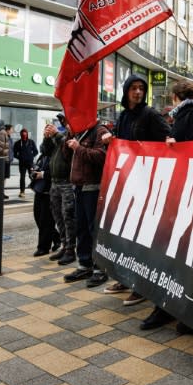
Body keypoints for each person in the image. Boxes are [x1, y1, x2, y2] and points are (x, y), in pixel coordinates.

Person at [102, 73, 170, 305]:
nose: (138, 92)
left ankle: (141, 286)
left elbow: (167, 140)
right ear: (126, 91)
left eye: (142, 88)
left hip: (146, 185)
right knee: (126, 234)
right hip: (128, 184)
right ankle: (124, 277)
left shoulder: (150, 114)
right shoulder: (123, 116)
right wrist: (112, 141)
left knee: (143, 237)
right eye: (134, 88)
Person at [62, 119, 109, 288]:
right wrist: (69, 135)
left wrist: (78, 148)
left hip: (93, 188)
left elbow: (102, 156)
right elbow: (65, 156)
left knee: (93, 229)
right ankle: (84, 264)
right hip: (79, 187)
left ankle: (100, 268)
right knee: (81, 227)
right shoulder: (78, 131)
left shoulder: (99, 130)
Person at [44, 113, 77, 265]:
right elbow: (46, 150)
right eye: (62, 120)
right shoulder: (59, 136)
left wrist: (56, 134)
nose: (63, 122)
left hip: (67, 183)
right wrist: (46, 137)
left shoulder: (71, 135)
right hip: (55, 182)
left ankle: (71, 249)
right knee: (57, 215)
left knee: (68, 216)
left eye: (65, 119)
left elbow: (68, 147)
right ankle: (64, 245)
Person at [28, 143, 60, 256]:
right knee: (38, 217)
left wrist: (43, 174)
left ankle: (43, 247)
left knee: (46, 220)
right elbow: (37, 166)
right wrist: (33, 172)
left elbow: (59, 171)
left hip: (50, 191)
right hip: (39, 189)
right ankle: (56, 237)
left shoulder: (57, 154)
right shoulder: (43, 156)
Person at [14, 128, 38, 198]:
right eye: (23, 134)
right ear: (21, 135)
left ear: (27, 134)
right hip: (22, 163)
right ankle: (22, 191)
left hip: (30, 162)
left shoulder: (31, 142)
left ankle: (36, 189)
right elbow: (15, 153)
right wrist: (20, 157)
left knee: (32, 176)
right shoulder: (18, 143)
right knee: (22, 177)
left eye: (25, 133)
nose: (24, 135)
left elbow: (36, 151)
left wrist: (31, 156)